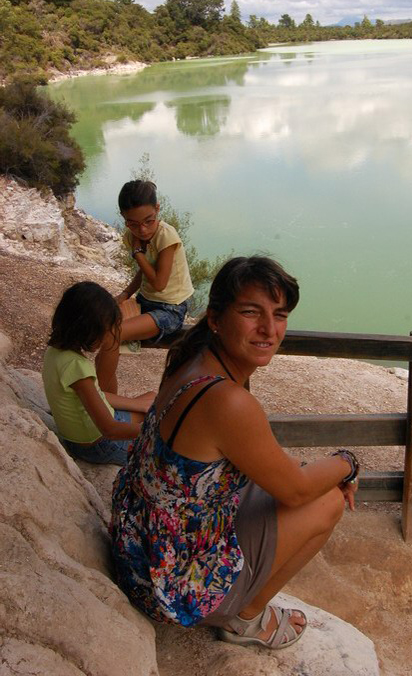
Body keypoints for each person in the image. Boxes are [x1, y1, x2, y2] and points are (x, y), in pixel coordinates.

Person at [110, 256, 359, 649]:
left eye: (280, 315)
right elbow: (295, 490)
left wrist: (316, 474)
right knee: (326, 500)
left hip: (139, 547)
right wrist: (347, 463)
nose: (269, 329)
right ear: (215, 317)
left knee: (308, 481)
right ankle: (245, 620)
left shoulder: (193, 357)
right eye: (250, 312)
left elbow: (263, 465)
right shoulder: (227, 400)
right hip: (170, 584)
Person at [96, 179, 194, 394]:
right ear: (124, 218)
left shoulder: (166, 236)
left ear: (157, 210)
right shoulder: (133, 236)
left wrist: (137, 254)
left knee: (114, 333)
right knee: (105, 333)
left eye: (149, 221)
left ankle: (100, 400)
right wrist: (125, 294)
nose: (142, 229)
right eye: (133, 224)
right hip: (144, 302)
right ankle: (107, 403)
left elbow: (159, 283)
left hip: (169, 309)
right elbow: (144, 272)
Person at [42, 282, 156, 465]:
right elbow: (110, 430)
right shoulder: (77, 369)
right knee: (161, 429)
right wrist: (154, 431)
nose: (108, 337)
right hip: (100, 445)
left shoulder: (55, 352)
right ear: (87, 329)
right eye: (105, 332)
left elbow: (97, 395)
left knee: (152, 400)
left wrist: (137, 404)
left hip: (89, 433)